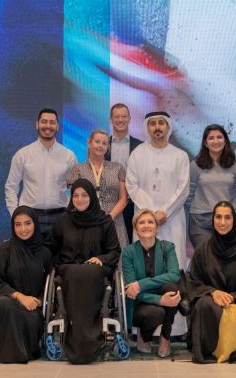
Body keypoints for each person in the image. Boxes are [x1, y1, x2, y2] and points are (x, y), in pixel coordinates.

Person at [48, 179, 121, 364]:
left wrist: (101, 259)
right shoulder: (63, 221)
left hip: (96, 271)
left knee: (88, 272)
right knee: (76, 273)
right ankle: (76, 338)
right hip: (69, 270)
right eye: (75, 195)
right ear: (71, 198)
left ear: (92, 197)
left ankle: (91, 338)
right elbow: (51, 248)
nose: (79, 199)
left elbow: (114, 251)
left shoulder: (105, 221)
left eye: (84, 195)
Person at [186, 201, 236, 364]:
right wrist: (213, 293)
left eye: (227, 217)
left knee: (229, 311)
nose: (222, 222)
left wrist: (230, 298)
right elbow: (193, 283)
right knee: (204, 304)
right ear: (212, 220)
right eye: (218, 217)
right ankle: (211, 351)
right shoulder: (202, 251)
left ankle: (230, 350)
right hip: (209, 303)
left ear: (234, 220)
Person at [0, 206, 51, 363]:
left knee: (31, 318)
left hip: (32, 307)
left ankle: (15, 351)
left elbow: (48, 285)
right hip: (4, 302)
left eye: (28, 223)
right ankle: (12, 353)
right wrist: (19, 297)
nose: (23, 229)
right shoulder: (5, 249)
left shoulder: (45, 253)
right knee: (6, 304)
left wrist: (39, 301)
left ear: (35, 224)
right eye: (18, 224)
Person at [126, 111, 190, 268]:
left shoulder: (180, 156)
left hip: (172, 219)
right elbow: (132, 185)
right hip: (144, 219)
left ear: (168, 126)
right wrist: (151, 214)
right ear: (147, 127)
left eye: (161, 123)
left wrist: (165, 212)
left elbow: (183, 189)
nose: (157, 127)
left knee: (174, 263)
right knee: (144, 264)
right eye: (152, 123)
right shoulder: (137, 154)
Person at [5, 108, 78, 235]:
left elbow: (76, 189)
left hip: (61, 217)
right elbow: (11, 187)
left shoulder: (69, 156)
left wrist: (72, 214)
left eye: (52, 122)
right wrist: (16, 215)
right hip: (29, 217)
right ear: (37, 124)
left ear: (57, 126)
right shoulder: (22, 155)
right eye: (44, 122)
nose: (48, 126)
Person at [121, 209, 181, 358]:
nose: (146, 225)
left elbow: (174, 275)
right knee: (156, 312)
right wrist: (159, 300)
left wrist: (141, 284)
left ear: (157, 227)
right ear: (136, 229)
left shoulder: (167, 247)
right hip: (140, 302)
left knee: (172, 288)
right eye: (141, 222)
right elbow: (130, 290)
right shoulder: (128, 252)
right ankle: (143, 336)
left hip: (161, 292)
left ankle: (165, 337)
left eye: (150, 222)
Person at [189, 124, 236, 247]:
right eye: (211, 138)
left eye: (219, 137)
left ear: (225, 141)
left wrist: (229, 212)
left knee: (226, 257)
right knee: (205, 256)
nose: (216, 141)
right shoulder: (195, 165)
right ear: (205, 143)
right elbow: (189, 194)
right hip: (201, 221)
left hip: (229, 220)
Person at [68, 129, 128, 249]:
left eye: (104, 143)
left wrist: (109, 218)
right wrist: (91, 218)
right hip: (87, 223)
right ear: (89, 142)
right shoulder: (77, 169)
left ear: (108, 147)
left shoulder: (118, 168)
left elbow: (123, 199)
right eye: (97, 142)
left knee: (117, 258)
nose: (101, 145)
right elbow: (75, 199)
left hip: (114, 222)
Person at [105, 103, 143, 242]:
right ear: (111, 119)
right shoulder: (102, 145)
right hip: (108, 204)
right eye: (116, 117)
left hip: (133, 204)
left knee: (132, 244)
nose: (120, 120)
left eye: (124, 116)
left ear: (129, 118)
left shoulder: (140, 146)